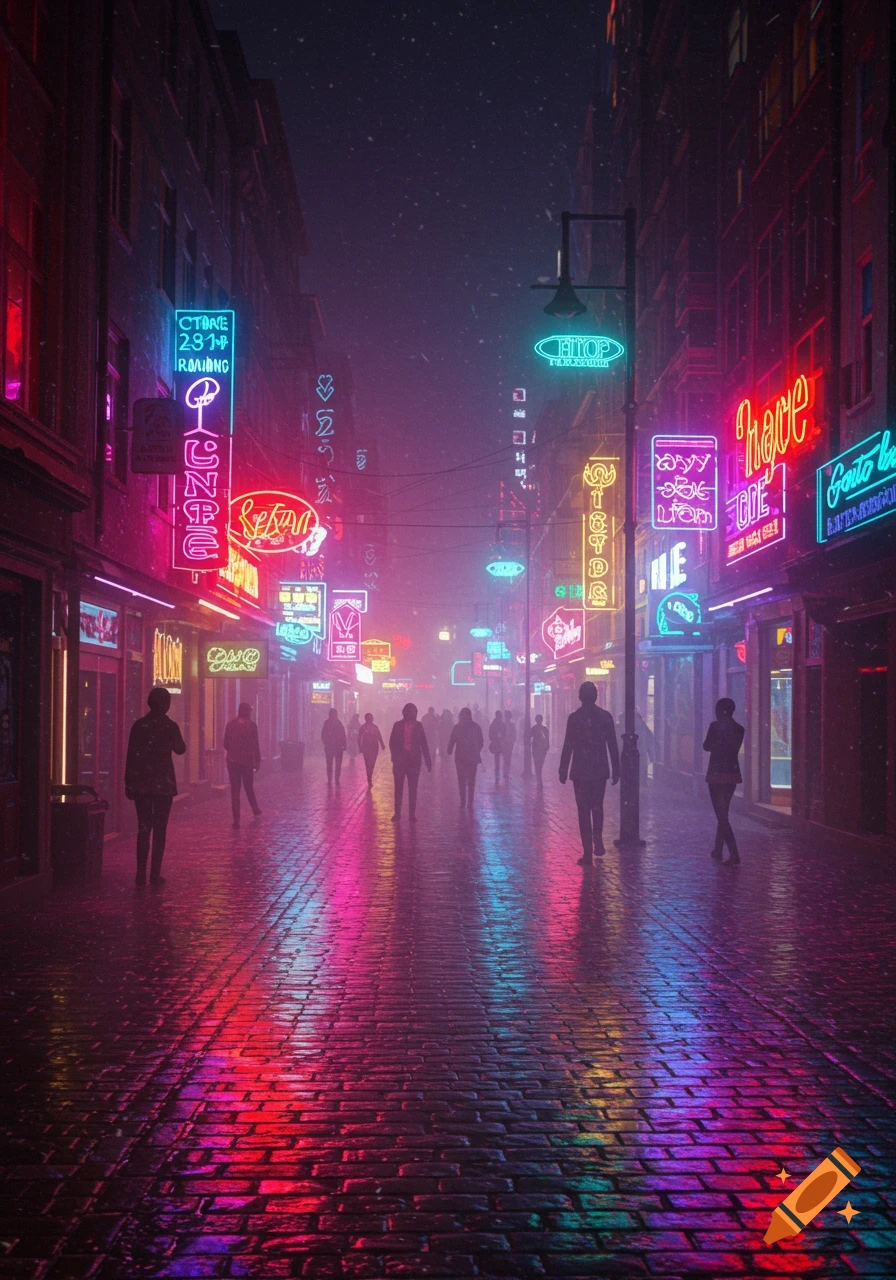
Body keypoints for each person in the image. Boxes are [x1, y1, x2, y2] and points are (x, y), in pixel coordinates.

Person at [124, 687, 187, 886]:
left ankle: (140, 872)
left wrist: (129, 782)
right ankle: (155, 873)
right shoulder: (170, 726)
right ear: (166, 705)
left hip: (142, 782)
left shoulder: (139, 726)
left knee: (143, 827)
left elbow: (131, 755)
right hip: (163, 784)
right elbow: (180, 749)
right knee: (160, 828)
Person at [559, 681, 620, 864]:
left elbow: (568, 745)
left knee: (583, 810)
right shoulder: (605, 717)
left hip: (580, 771)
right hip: (599, 770)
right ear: (596, 696)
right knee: (597, 806)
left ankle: (587, 852)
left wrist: (563, 768)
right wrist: (616, 768)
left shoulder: (574, 718)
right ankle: (597, 838)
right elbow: (612, 744)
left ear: (580, 697)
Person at [703, 697, 745, 863]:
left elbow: (706, 746)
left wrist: (716, 740)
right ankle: (718, 848)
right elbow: (734, 748)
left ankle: (734, 853)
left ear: (720, 711)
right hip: (732, 773)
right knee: (724, 811)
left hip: (716, 773)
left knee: (721, 815)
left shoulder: (714, 727)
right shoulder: (739, 729)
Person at [389, 702, 432, 820]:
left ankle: (412, 814)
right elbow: (392, 742)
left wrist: (428, 761)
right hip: (400, 762)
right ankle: (397, 813)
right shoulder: (397, 725)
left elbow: (423, 744)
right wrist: (394, 756)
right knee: (398, 788)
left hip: (414, 762)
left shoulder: (419, 726)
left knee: (413, 789)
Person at [223, 702, 262, 828]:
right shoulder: (252, 726)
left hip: (232, 761)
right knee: (248, 786)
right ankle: (254, 808)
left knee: (235, 790)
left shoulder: (230, 725)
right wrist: (257, 761)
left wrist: (233, 751)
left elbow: (225, 744)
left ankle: (236, 820)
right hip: (247, 761)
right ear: (248, 712)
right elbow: (255, 745)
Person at [447, 707, 484, 809]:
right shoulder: (476, 727)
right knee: (470, 781)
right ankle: (469, 803)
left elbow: (452, 740)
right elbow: (481, 741)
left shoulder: (458, 727)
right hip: (471, 758)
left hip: (461, 758)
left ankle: (464, 802)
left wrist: (449, 750)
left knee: (462, 781)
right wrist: (476, 750)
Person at [358, 712, 386, 789]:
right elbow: (359, 737)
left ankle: (370, 776)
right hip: (366, 748)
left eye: (371, 718)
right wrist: (360, 747)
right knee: (367, 764)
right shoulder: (363, 728)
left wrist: (382, 744)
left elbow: (379, 736)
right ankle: (369, 778)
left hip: (374, 748)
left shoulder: (375, 727)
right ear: (366, 719)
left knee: (372, 763)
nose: (370, 719)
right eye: (368, 718)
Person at [321, 708, 347, 785]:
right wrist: (344, 745)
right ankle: (336, 779)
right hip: (337, 747)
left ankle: (330, 779)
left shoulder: (327, 724)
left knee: (329, 764)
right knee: (337, 764)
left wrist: (326, 743)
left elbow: (323, 735)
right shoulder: (339, 724)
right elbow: (343, 735)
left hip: (330, 747)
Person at [530, 714, 550, 785]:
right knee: (539, 764)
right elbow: (547, 739)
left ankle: (539, 779)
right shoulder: (543, 729)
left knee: (538, 764)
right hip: (539, 749)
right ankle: (539, 779)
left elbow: (529, 736)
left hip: (539, 749)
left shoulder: (536, 728)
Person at [488, 710, 505, 782]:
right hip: (496, 743)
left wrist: (503, 739)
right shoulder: (493, 724)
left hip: (502, 742)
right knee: (497, 756)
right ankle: (497, 769)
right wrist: (494, 739)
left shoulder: (501, 724)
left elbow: (505, 732)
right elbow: (490, 733)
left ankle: (504, 769)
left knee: (503, 756)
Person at [503, 711, 517, 779]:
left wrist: (512, 741)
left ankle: (507, 773)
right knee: (505, 758)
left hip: (509, 744)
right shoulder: (502, 725)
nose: (507, 718)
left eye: (508, 717)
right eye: (506, 716)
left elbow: (514, 735)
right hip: (504, 744)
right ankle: (505, 772)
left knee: (508, 758)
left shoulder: (512, 725)